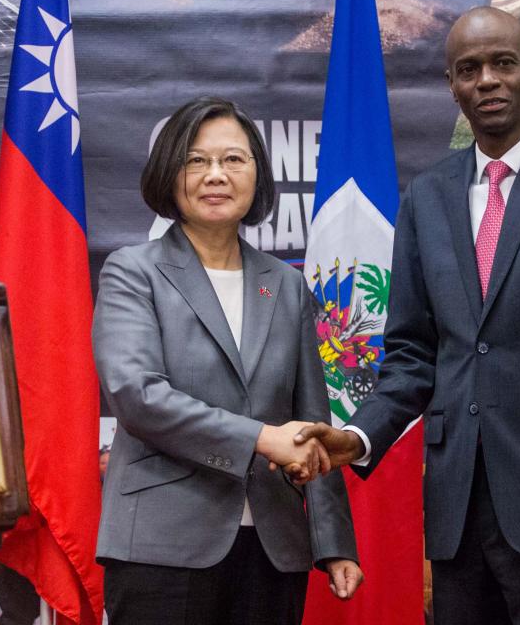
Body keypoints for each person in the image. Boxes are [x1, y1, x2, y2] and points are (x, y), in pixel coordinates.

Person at [296, 6, 520, 624]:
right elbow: (411, 354)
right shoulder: (428, 195)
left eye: (502, 63)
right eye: (469, 69)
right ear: (452, 86)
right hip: (457, 511)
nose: (486, 79)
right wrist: (356, 437)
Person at [93, 96, 362, 625]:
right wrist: (262, 439)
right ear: (170, 173)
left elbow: (314, 422)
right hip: (161, 547)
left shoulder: (286, 285)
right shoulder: (133, 272)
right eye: (197, 160)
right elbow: (137, 396)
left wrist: (333, 541)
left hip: (272, 547)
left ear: (257, 176)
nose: (216, 175)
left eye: (233, 160)